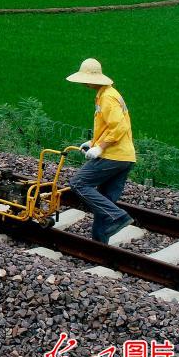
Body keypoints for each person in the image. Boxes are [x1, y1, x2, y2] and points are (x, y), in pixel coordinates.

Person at [65, 58, 136, 244]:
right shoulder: (106, 94)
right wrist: (93, 142)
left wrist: (101, 148)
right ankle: (100, 244)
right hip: (125, 156)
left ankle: (119, 217)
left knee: (78, 184)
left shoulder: (107, 97)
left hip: (113, 155)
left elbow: (119, 127)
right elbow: (111, 126)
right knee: (104, 201)